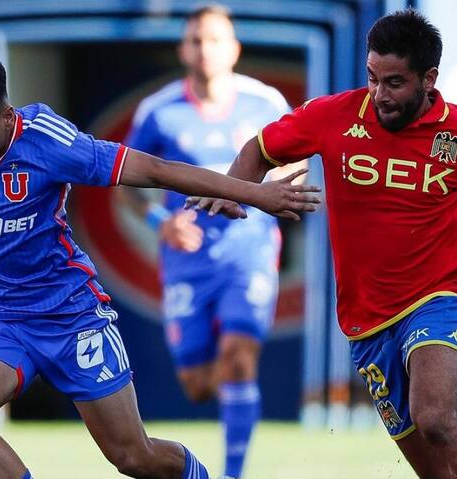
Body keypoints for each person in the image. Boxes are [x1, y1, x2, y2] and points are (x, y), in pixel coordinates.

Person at [187, 9, 457, 479]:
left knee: (438, 418)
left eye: (394, 83)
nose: (379, 95)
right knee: (432, 466)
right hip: (366, 319)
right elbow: (258, 151)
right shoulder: (333, 116)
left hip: (441, 296)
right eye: (372, 79)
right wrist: (237, 191)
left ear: (429, 79)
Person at [0, 50, 319, 479]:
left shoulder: (49, 142)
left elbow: (153, 170)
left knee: (134, 457)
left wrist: (254, 193)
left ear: (6, 115)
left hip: (71, 316)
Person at [122, 5, 298, 477]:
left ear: (235, 48)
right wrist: (162, 221)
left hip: (249, 251)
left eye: (215, 40)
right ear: (183, 49)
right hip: (187, 258)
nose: (205, 49)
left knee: (239, 357)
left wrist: (264, 186)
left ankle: (232, 474)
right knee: (198, 384)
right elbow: (129, 186)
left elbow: (293, 164)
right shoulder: (158, 112)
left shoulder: (266, 104)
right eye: (196, 40)